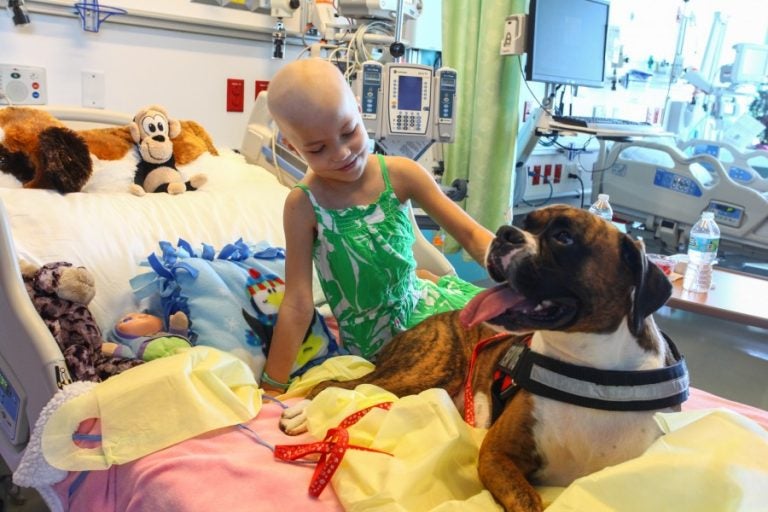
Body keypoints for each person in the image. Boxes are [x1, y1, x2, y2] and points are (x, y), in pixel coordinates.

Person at [260, 58, 494, 394]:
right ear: (293, 146)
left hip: (429, 310)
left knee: (512, 339)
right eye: (317, 148)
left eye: (349, 131)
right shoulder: (303, 206)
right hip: (376, 347)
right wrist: (272, 385)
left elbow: (471, 234)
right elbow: (298, 302)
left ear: (358, 108)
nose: (342, 153)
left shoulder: (402, 175)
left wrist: (519, 274)